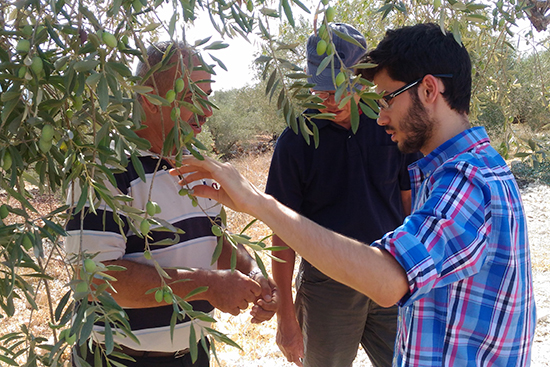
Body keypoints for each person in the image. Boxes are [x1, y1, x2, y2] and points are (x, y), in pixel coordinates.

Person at [170, 23, 536, 366]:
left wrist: (258, 204)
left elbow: (392, 280)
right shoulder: (442, 172)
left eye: (388, 98)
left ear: (428, 89)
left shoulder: (468, 182)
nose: (381, 116)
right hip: (331, 287)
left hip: (381, 275)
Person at [65, 41, 278, 367]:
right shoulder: (104, 171)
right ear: (150, 99)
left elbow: (216, 241)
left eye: (208, 96)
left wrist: (254, 274)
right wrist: (207, 285)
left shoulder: (199, 168)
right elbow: (95, 279)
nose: (207, 111)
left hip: (193, 356)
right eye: (193, 97)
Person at [266, 23, 422, 367]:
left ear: (363, 78)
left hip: (391, 272)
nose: (331, 100)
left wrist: (414, 275)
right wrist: (285, 315)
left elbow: (409, 202)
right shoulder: (296, 140)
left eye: (342, 87)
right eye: (322, 89)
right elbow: (282, 232)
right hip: (327, 288)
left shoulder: (390, 123)